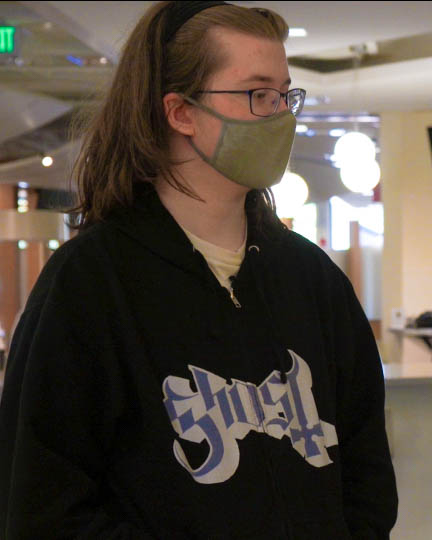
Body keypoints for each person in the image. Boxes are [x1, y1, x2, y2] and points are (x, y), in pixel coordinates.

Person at [0, 1, 398, 539]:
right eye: (258, 94)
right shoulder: (89, 283)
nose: (281, 115)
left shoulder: (314, 280)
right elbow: (44, 509)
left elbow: (367, 478)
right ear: (180, 112)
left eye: (286, 95)